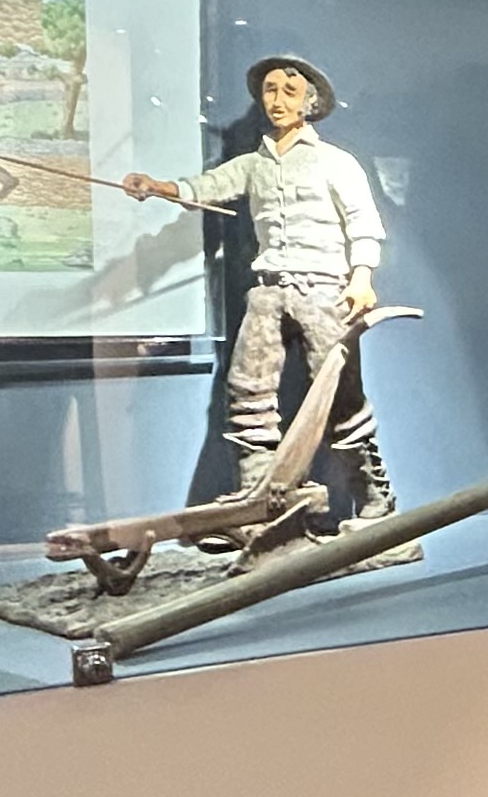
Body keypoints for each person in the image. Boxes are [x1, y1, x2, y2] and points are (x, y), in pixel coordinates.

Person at [123, 57, 399, 521]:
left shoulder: (337, 162)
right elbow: (206, 186)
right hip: (268, 292)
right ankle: (256, 499)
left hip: (324, 293)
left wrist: (362, 277)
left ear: (310, 102)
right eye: (270, 90)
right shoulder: (253, 165)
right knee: (248, 393)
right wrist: (157, 187)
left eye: (290, 91)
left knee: (339, 395)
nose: (278, 100)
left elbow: (363, 223)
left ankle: (374, 497)